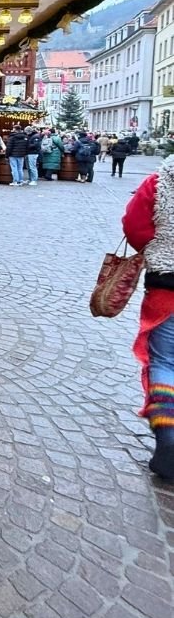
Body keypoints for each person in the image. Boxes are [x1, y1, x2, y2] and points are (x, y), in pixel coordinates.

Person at [122, 157, 174, 479]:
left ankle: (169, 435)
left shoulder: (162, 179)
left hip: (168, 285)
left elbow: (134, 226)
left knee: (166, 362)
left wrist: (157, 246)